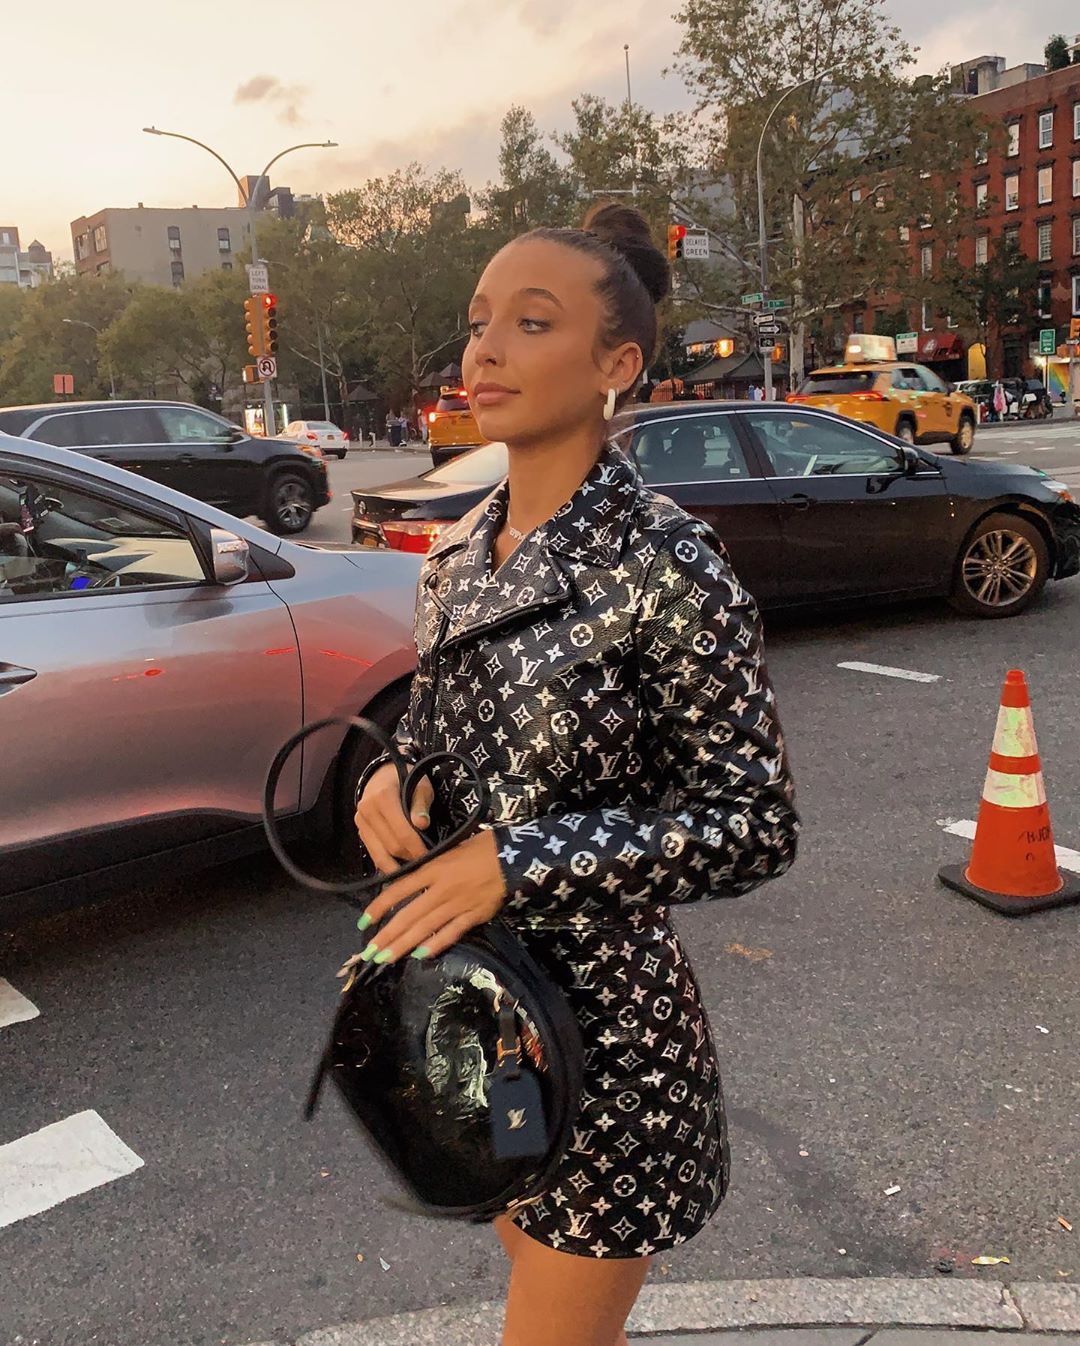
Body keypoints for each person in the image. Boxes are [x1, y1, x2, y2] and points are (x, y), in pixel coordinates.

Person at [352, 202, 799, 1346]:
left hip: (609, 1041)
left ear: (616, 363)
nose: (485, 350)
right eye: (478, 321)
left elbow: (754, 822)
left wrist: (518, 860)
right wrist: (392, 777)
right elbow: (440, 734)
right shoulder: (455, 559)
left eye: (530, 322)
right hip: (467, 1016)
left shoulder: (666, 559)